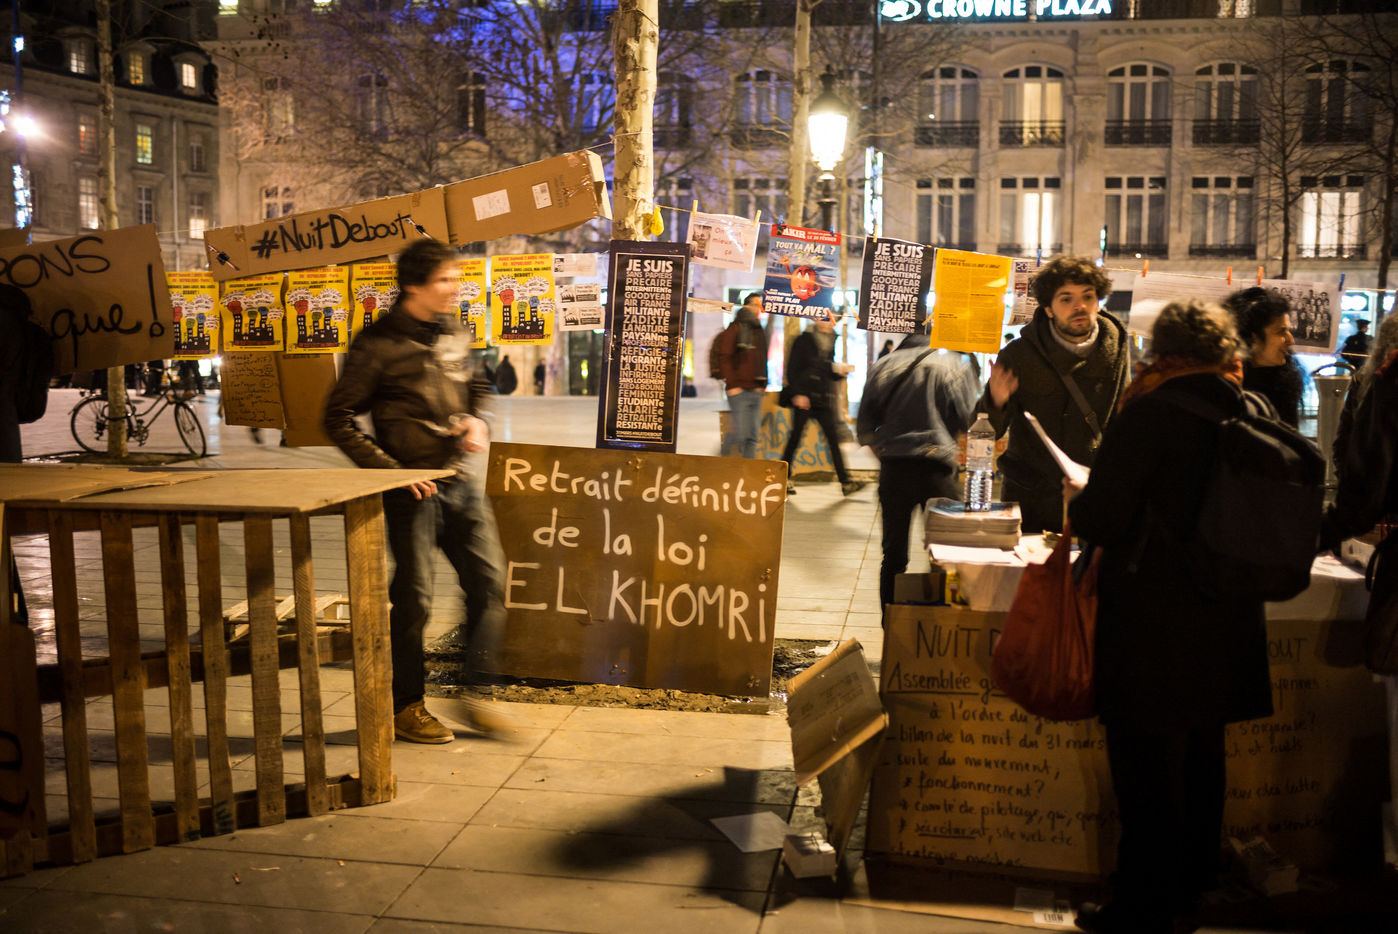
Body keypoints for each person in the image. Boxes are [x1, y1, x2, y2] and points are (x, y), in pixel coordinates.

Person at [1067, 300, 1274, 934]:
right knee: (1204, 756)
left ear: (1163, 350)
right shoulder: (1252, 408)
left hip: (1153, 618)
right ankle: (1190, 888)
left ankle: (1142, 904)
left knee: (1146, 764)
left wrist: (1081, 497)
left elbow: (1104, 518)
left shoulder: (1150, 412)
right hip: (1229, 614)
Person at [324, 238, 510, 744]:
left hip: (460, 482)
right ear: (413, 286)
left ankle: (478, 694)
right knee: (415, 601)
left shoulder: (454, 329)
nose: (455, 288)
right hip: (410, 491)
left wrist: (476, 419)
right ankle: (406, 706)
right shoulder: (377, 344)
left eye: (456, 278)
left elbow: (479, 383)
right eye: (445, 280)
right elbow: (338, 418)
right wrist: (392, 473)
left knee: (490, 584)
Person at [978, 255, 1129, 533]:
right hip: (1031, 496)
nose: (1079, 306)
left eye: (1088, 296)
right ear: (1048, 309)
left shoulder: (1116, 347)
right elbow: (984, 431)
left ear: (1098, 302)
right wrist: (996, 401)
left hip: (1090, 492)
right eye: (1066, 299)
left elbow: (1122, 417)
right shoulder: (1019, 354)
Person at [856, 332, 977, 611]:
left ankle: (892, 627)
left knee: (893, 557)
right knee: (945, 553)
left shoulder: (882, 365)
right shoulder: (952, 364)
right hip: (937, 471)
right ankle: (939, 626)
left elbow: (865, 428)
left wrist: (887, 455)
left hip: (894, 469)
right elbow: (968, 420)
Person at [780, 312, 865, 497]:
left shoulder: (831, 340)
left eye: (830, 319)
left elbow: (825, 369)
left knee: (833, 440)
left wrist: (838, 372)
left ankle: (846, 482)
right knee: (795, 438)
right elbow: (792, 369)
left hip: (822, 398)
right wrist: (798, 394)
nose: (827, 323)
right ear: (816, 319)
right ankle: (782, 479)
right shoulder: (803, 339)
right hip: (804, 397)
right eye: (824, 319)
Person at [1224, 286, 1302, 427]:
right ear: (1252, 338)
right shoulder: (1227, 384)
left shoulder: (1285, 382)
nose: (1291, 340)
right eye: (1281, 331)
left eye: (1288, 330)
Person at [716, 292, 769, 459]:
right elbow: (725, 357)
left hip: (756, 390)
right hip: (738, 390)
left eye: (760, 306)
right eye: (755, 304)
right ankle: (721, 454)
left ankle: (748, 470)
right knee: (741, 434)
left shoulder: (758, 329)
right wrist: (732, 385)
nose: (758, 309)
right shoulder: (735, 328)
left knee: (753, 436)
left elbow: (763, 357)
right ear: (746, 305)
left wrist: (762, 385)